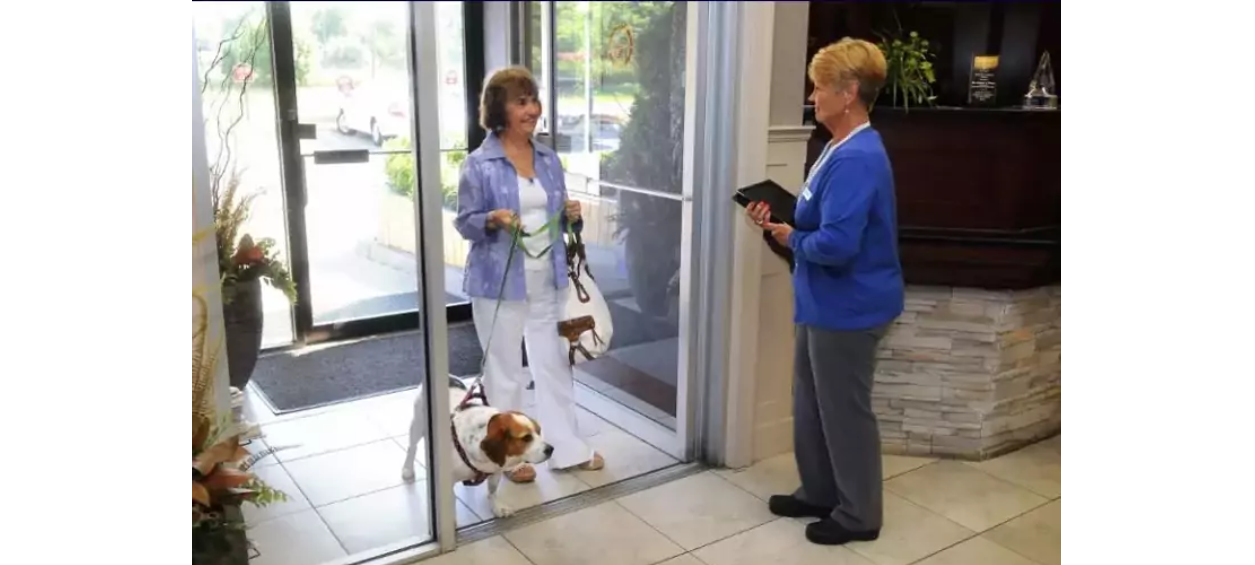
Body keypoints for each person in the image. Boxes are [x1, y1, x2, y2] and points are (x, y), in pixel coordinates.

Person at [745, 38, 904, 545]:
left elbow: (837, 244)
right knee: (813, 404)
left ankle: (859, 516)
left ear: (849, 92)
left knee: (844, 413)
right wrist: (780, 223)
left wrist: (793, 237)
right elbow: (821, 219)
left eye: (819, 87)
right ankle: (819, 492)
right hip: (822, 301)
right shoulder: (836, 147)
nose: (812, 97)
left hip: (850, 307)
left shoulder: (857, 157)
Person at [454, 66, 604, 482]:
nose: (532, 109)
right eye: (521, 102)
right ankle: (511, 459)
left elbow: (559, 218)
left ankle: (567, 447)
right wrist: (492, 219)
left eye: (534, 100)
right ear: (499, 108)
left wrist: (571, 215)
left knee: (554, 364)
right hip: (498, 283)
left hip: (547, 279)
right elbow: (464, 222)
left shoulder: (548, 159)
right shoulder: (478, 164)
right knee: (504, 371)